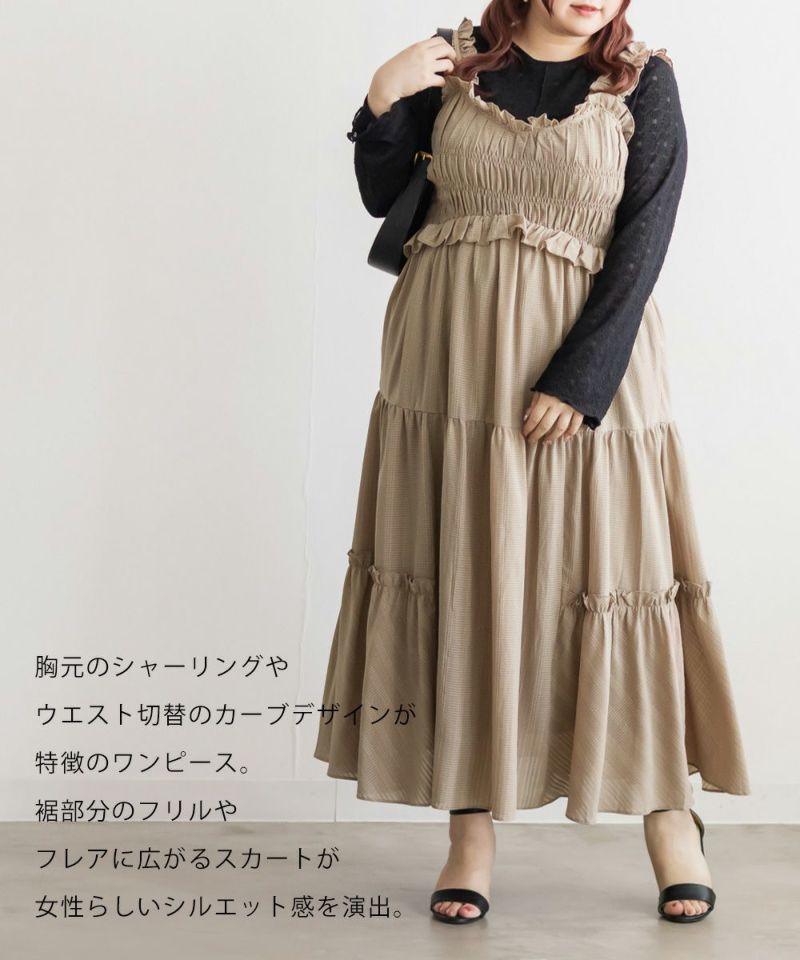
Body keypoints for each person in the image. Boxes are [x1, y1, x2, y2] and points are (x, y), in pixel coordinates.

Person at [314, 0, 751, 925]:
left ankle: (670, 815)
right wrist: (383, 97)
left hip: (588, 365)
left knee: (616, 576)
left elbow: (645, 238)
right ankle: (470, 832)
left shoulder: (644, 81)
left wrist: (581, 379)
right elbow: (383, 193)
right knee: (465, 577)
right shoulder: (455, 62)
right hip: (449, 364)